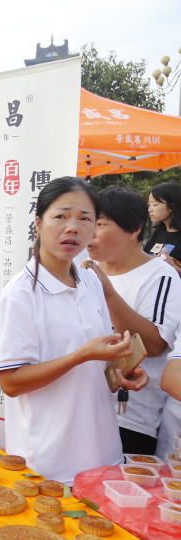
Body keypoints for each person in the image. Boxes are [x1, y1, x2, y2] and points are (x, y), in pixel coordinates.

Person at [0, 177, 148, 484]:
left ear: (93, 229)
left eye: (85, 219)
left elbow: (98, 364)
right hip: (49, 461)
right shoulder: (21, 293)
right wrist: (80, 356)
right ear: (38, 224)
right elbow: (11, 382)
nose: (73, 227)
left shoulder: (91, 281)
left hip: (102, 450)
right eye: (61, 216)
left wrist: (121, 371)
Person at [86, 186, 180, 455]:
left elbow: (153, 345)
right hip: (81, 409)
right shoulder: (80, 271)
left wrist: (109, 293)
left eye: (99, 224)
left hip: (129, 419)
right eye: (86, 222)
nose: (88, 234)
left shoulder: (160, 276)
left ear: (134, 228)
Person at [142, 182, 181, 268]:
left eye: (155, 204)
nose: (149, 209)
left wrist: (174, 267)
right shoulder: (158, 232)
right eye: (149, 205)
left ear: (171, 206)